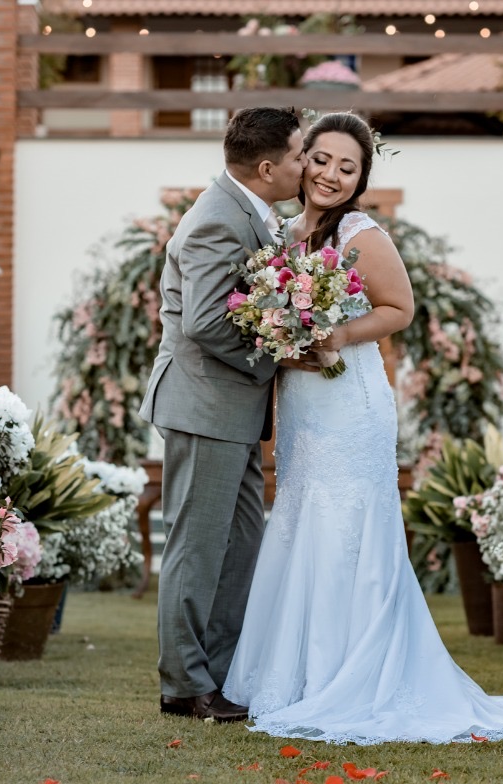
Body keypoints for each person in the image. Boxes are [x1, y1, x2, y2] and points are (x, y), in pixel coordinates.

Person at [221, 112, 503, 744]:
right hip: (303, 405)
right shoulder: (284, 234)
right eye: (322, 161)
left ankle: (352, 675)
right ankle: (294, 678)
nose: (332, 176)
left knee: (347, 526)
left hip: (350, 403)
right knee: (301, 518)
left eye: (349, 167)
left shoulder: (361, 234)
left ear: (361, 177)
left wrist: (333, 333)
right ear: (301, 158)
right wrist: (284, 335)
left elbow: (401, 309)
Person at [139, 107, 320, 723]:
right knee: (196, 548)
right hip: (205, 406)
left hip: (231, 412)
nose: (307, 163)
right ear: (268, 167)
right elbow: (209, 321)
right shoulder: (217, 220)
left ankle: (217, 676)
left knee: (241, 545)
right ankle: (183, 686)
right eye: (300, 155)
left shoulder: (254, 213)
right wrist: (287, 354)